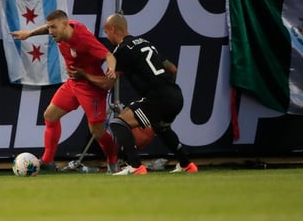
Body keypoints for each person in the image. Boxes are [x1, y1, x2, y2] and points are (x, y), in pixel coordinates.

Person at [11, 10, 119, 172]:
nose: (50, 32)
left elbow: (109, 56)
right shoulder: (61, 31)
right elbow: (46, 28)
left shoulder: (83, 39)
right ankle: (47, 161)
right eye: (49, 28)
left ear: (64, 25)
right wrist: (29, 34)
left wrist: (111, 68)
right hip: (73, 84)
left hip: (91, 89)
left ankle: (113, 161)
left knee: (97, 132)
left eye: (53, 28)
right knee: (50, 116)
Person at [91, 13, 198, 175]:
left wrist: (83, 75)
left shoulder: (121, 50)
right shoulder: (145, 43)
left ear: (113, 29)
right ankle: (187, 165)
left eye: (107, 32)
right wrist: (165, 88)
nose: (107, 36)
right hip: (175, 95)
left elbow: (107, 84)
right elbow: (172, 69)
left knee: (118, 124)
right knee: (161, 128)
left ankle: (135, 167)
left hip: (158, 98)